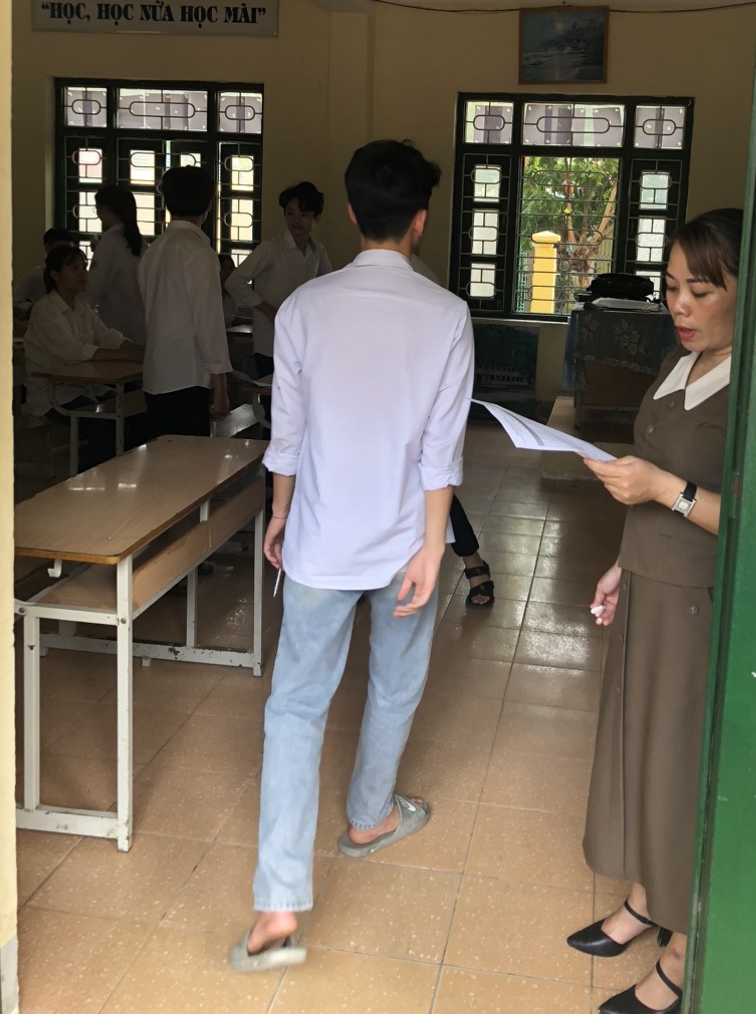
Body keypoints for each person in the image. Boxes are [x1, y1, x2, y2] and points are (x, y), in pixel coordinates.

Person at [230, 139, 473, 974]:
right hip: (406, 544)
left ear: (348, 212)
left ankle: (276, 902)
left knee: (294, 710)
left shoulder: (305, 307)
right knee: (395, 685)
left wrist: (280, 514)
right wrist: (435, 548)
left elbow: (287, 435)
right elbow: (441, 454)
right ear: (420, 221)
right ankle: (369, 819)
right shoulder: (446, 315)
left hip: (319, 542)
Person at [567, 208, 743, 1014]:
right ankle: (647, 898)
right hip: (650, 583)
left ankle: (682, 950)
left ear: (746, 290)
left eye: (700, 291)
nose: (679, 305)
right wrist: (621, 563)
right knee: (639, 747)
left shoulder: (753, 385)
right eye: (671, 287)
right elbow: (652, 479)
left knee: (679, 767)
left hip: (698, 606)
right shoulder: (684, 363)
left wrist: (662, 489)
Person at [411, 254, 496, 609]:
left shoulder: (422, 278)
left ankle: (472, 560)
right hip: (371, 411)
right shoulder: (347, 283)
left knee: (433, 482)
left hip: (417, 403)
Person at [22, 244, 145, 466]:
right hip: (54, 394)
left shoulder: (81, 307)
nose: (82, 273)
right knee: (105, 426)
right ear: (55, 275)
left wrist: (140, 350)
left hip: (86, 388)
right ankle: (87, 477)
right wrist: (127, 356)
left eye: (84, 267)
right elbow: (72, 351)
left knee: (137, 415)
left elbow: (106, 335)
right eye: (74, 268)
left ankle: (122, 470)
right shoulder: (45, 310)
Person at [138, 167, 231, 438]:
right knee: (191, 458)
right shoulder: (199, 253)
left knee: (163, 455)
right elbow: (209, 323)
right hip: (187, 376)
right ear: (209, 204)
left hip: (155, 373)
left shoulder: (153, 251)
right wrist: (220, 385)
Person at [224, 181, 332, 381]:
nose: (295, 220)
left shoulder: (318, 250)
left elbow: (328, 287)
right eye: (290, 213)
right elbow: (234, 281)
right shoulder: (271, 248)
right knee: (272, 396)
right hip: (270, 342)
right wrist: (268, 310)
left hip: (303, 341)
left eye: (303, 215)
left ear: (317, 217)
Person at [84, 186, 148, 343]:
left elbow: (93, 288)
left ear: (105, 209)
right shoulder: (141, 243)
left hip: (116, 325)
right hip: (143, 325)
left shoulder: (109, 242)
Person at [13, 226, 76, 315]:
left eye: (70, 250)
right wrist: (34, 307)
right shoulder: (34, 276)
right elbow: (14, 303)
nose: (66, 254)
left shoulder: (75, 276)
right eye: (61, 249)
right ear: (47, 247)